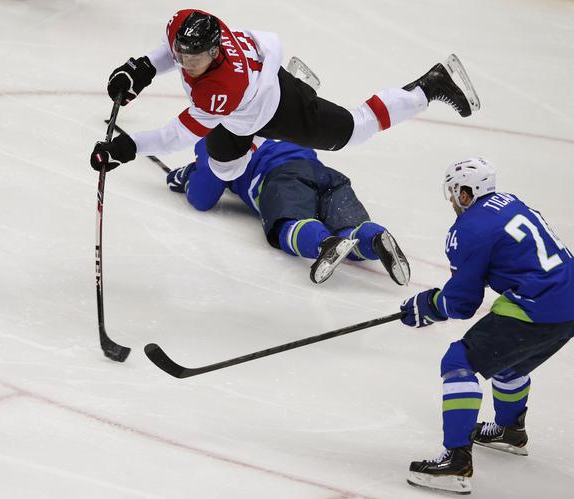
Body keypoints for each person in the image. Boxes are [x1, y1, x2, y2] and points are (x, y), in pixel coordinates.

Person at [90, 8, 480, 181]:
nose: (187, 64)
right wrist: (140, 69)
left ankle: (431, 86)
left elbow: (175, 137)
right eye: (183, 56)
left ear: (216, 50)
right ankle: (258, 128)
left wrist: (126, 149)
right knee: (226, 167)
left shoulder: (218, 91)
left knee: (354, 131)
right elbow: (170, 48)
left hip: (278, 108)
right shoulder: (194, 24)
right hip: (246, 105)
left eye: (197, 57)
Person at [399, 157, 574, 494]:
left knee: (458, 362)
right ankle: (509, 430)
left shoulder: (468, 230)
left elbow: (461, 304)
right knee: (508, 361)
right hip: (569, 302)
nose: (451, 201)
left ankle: (456, 461)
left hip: (538, 306)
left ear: (466, 193)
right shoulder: (511, 202)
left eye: (453, 193)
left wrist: (427, 306)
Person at [165, 137, 410, 285]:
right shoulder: (274, 114)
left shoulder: (218, 137)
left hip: (283, 179)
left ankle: (323, 243)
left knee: (288, 225)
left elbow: (203, 197)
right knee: (351, 230)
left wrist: (188, 176)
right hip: (325, 174)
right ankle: (374, 239)